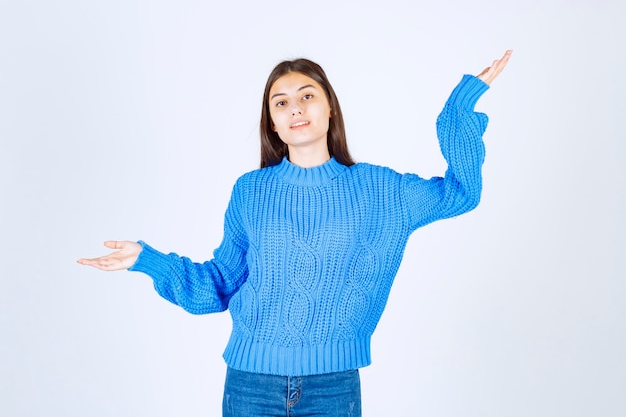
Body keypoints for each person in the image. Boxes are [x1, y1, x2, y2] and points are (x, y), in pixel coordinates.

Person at [78, 50, 512, 416]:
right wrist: (146, 260)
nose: (295, 109)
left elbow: (460, 193)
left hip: (333, 387)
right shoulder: (251, 191)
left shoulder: (381, 190)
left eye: (307, 96)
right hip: (250, 386)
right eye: (280, 103)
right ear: (272, 122)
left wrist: (459, 109)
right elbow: (221, 284)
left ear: (329, 108)